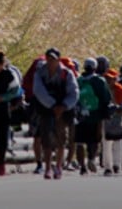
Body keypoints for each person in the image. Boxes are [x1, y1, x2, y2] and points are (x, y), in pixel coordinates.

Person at [32, 48, 78, 180]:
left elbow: (74, 92)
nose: (51, 61)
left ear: (58, 59)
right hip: (47, 108)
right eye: (49, 58)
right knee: (46, 139)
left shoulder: (67, 73)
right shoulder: (40, 73)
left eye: (54, 59)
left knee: (61, 139)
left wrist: (63, 106)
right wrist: (52, 105)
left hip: (64, 108)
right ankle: (47, 168)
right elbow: (38, 90)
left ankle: (58, 166)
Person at [74, 58, 111, 175]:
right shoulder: (99, 80)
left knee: (79, 142)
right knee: (94, 140)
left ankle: (82, 167)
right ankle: (91, 159)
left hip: (80, 115)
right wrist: (105, 112)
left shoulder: (78, 80)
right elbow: (106, 98)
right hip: (95, 114)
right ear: (95, 67)